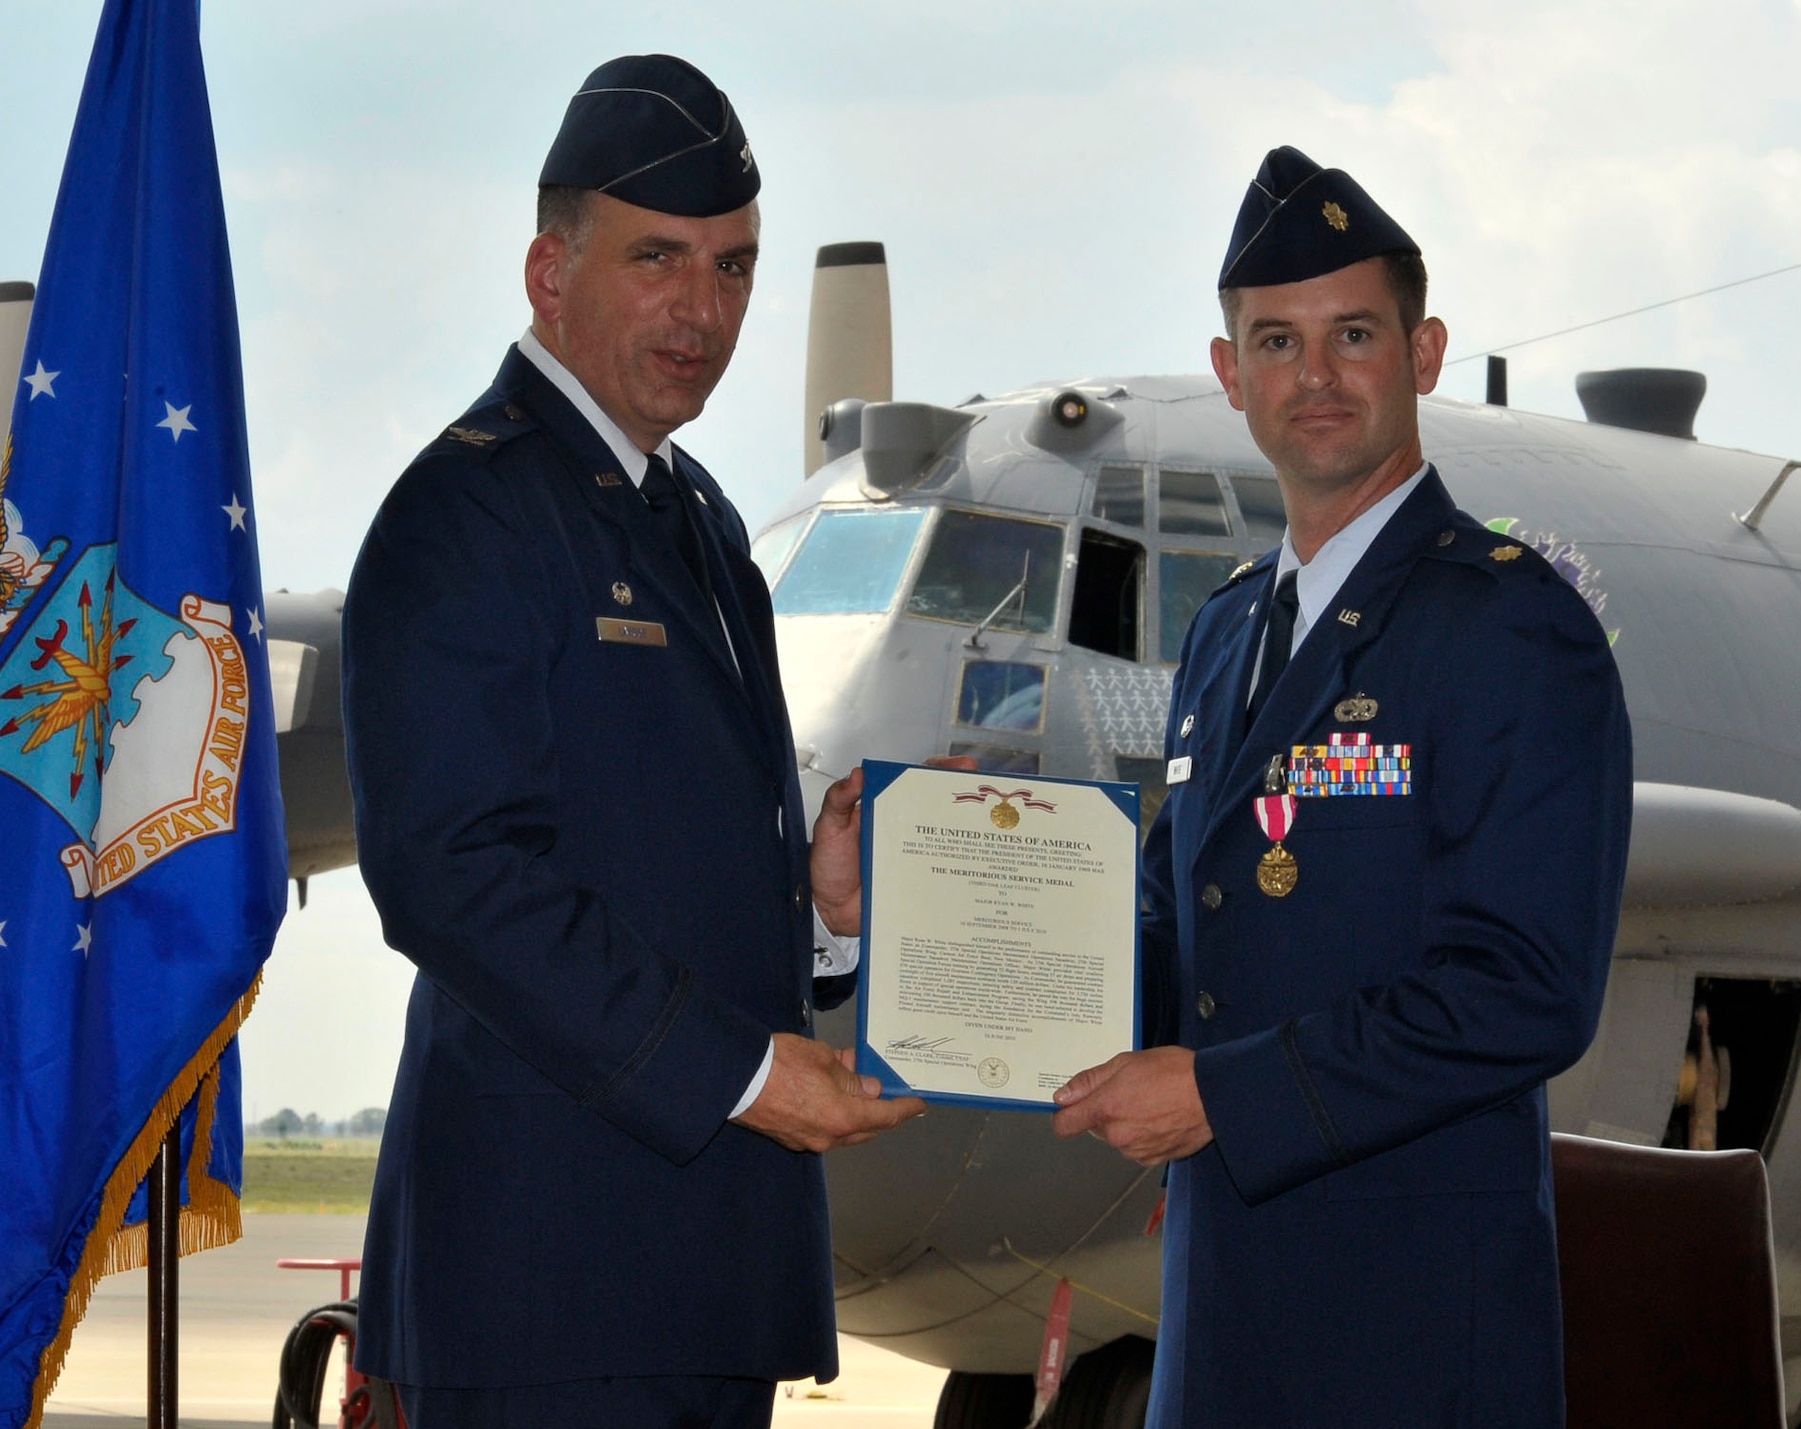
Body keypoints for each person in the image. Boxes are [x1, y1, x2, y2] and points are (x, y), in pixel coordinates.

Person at [341, 55, 922, 1429]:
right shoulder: (468, 512)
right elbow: (448, 872)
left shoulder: (704, 523)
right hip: (549, 1289)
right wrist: (743, 1071)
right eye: (657, 257)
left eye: (733, 267)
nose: (702, 309)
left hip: (700, 1276)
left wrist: (820, 909)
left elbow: (664, 851)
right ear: (550, 273)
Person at [1052, 147, 1633, 1427]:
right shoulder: (1224, 632)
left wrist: (1222, 1094)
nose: (1312, 376)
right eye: (1276, 342)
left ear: (1422, 353)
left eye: (1351, 335)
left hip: (1411, 1336)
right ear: (1230, 374)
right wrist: (920, 911)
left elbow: (1527, 989)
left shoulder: (1507, 624)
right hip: (1220, 1324)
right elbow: (1174, 931)